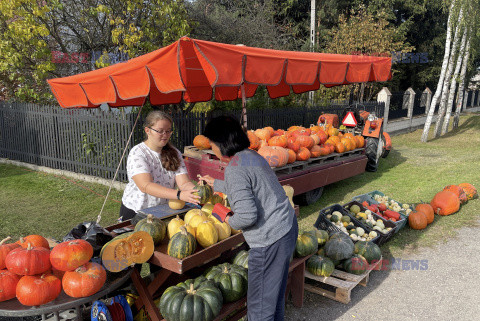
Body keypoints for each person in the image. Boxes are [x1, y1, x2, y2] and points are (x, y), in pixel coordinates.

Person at [200, 115, 298, 321]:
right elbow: (249, 186)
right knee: (273, 298)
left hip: (269, 240)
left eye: (211, 143)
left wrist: (225, 217)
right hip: (286, 228)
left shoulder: (235, 169)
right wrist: (216, 184)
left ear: (221, 143)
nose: (211, 148)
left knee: (260, 308)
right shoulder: (251, 156)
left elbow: (246, 217)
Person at [120, 110, 200, 221]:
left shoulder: (175, 153)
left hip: (163, 212)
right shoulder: (138, 153)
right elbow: (145, 185)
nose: (165, 135)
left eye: (168, 131)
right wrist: (178, 195)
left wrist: (198, 192)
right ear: (147, 130)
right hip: (137, 212)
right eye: (160, 131)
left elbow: (184, 183)